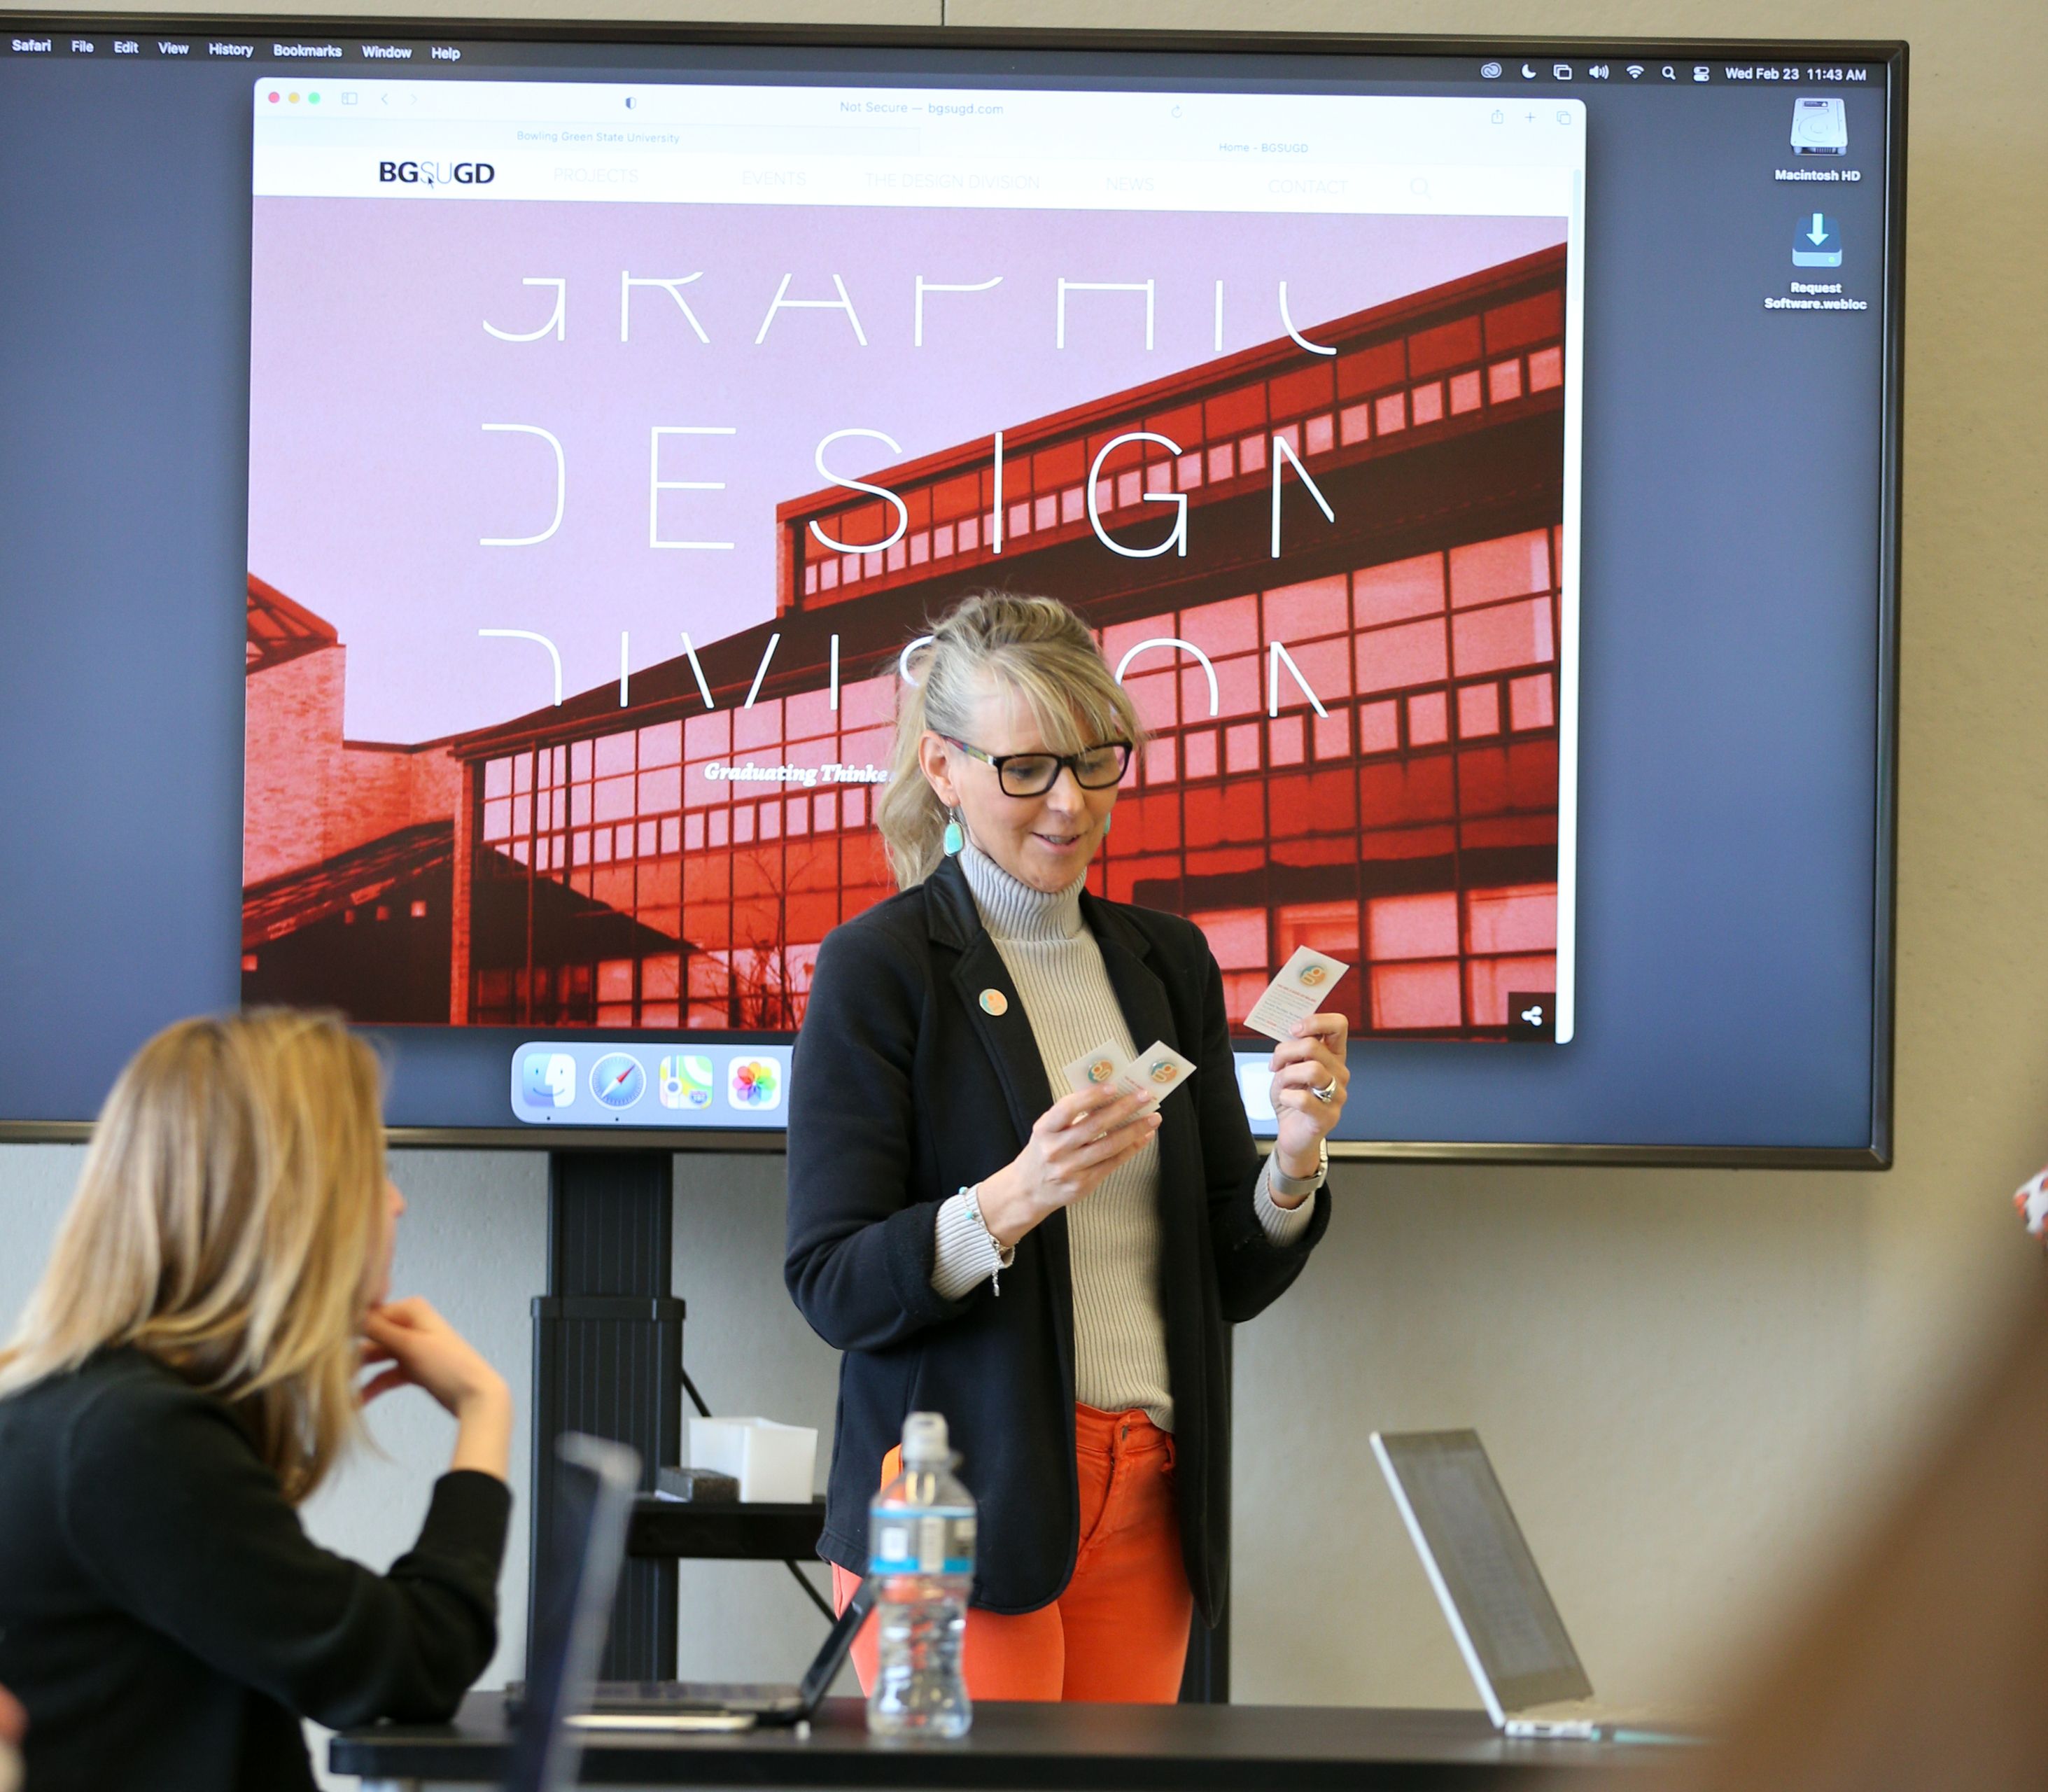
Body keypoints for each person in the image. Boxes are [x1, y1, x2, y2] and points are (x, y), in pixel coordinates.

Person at [785, 592, 1344, 1703]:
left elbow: (1223, 1272)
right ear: (943, 770)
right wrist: (1011, 1196)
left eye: (1098, 764)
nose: (1071, 803)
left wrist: (1294, 1162)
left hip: (1150, 1493)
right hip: (962, 1501)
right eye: (1027, 769)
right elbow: (833, 1284)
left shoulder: (1166, 963)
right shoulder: (879, 968)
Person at [0, 1009, 515, 1792]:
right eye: (370, 1168)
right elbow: (412, 1664)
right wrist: (484, 1411)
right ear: (289, 1201)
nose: (397, 1201)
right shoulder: (134, 1437)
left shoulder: (85, 1407)